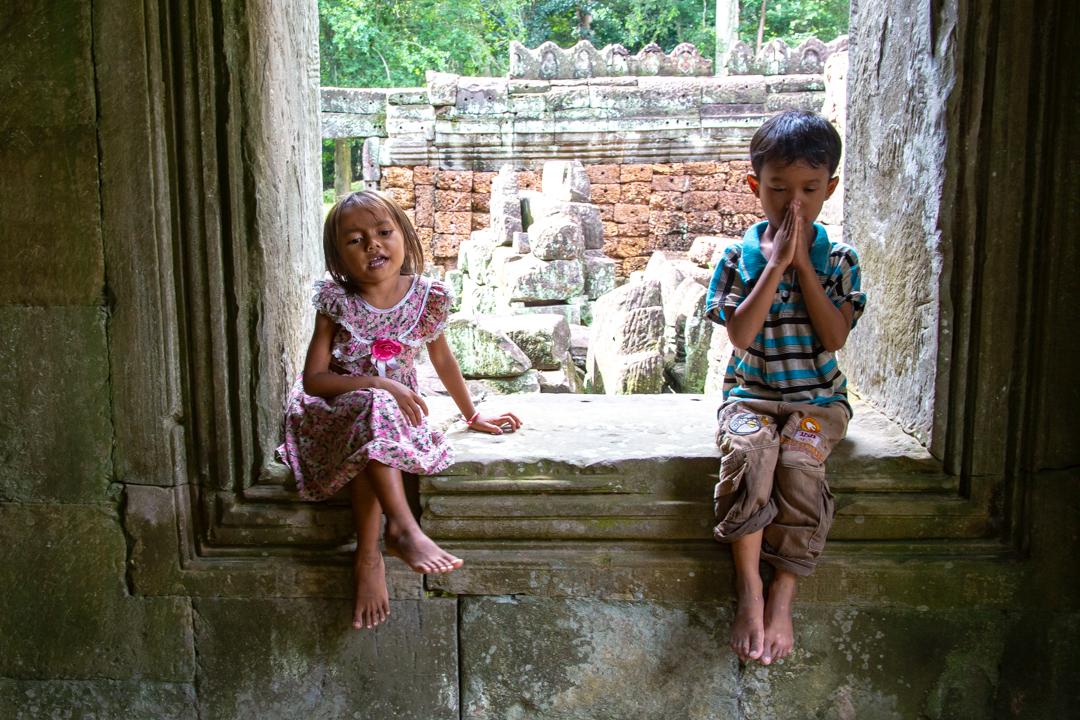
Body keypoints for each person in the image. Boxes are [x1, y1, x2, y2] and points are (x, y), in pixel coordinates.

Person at [277, 190, 521, 631]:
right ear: (338, 256)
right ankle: (403, 529)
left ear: (404, 236)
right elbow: (314, 379)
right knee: (374, 406)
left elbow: (443, 360)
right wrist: (379, 381)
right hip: (332, 409)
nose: (372, 244)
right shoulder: (336, 301)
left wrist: (472, 416)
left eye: (383, 232)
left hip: (389, 417)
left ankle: (369, 555)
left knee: (378, 423)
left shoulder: (427, 298)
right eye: (355, 240)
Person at [705, 110, 866, 665]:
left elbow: (835, 337)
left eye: (809, 190)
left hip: (818, 400)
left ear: (830, 189)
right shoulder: (736, 259)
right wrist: (774, 267)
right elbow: (741, 336)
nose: (793, 203)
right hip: (749, 396)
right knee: (752, 451)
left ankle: (784, 592)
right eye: (778, 189)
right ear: (756, 186)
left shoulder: (840, 261)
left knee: (799, 459)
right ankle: (750, 586)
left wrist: (805, 269)